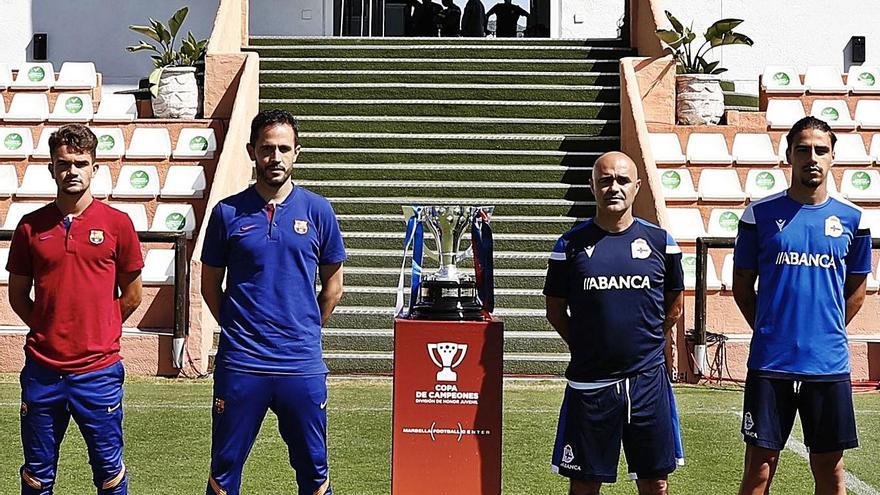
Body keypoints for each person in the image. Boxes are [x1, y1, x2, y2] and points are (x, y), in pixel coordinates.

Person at [202, 109, 346, 495]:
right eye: (267, 148)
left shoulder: (318, 211)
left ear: (297, 152)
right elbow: (209, 285)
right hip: (242, 363)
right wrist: (237, 326)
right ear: (252, 151)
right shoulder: (227, 213)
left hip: (300, 363)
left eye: (284, 148)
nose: (275, 157)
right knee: (224, 472)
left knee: (315, 471)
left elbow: (333, 287)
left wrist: (305, 327)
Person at [733, 116, 871, 495]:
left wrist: (826, 329)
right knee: (759, 469)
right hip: (770, 363)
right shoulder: (758, 215)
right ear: (789, 155)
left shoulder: (853, 219)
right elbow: (742, 285)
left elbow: (857, 287)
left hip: (826, 364)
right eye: (804, 149)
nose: (812, 157)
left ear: (832, 158)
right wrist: (769, 327)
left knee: (830, 470)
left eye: (821, 150)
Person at [7, 124, 143, 495]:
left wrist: (100, 330)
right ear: (52, 168)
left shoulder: (118, 224)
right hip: (43, 371)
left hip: (98, 372)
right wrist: (50, 328)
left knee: (109, 473)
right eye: (64, 163)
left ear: (95, 168)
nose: (72, 171)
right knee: (37, 475)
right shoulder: (30, 227)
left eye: (81, 163)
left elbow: (132, 295)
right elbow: (18, 295)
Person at [544, 151, 685, 495]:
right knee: (584, 482)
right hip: (590, 383)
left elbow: (676, 305)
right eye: (605, 180)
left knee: (655, 482)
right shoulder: (569, 245)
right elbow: (555, 309)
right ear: (592, 186)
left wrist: (646, 343)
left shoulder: (661, 242)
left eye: (622, 180)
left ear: (637, 187)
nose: (614, 187)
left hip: (647, 381)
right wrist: (585, 344)